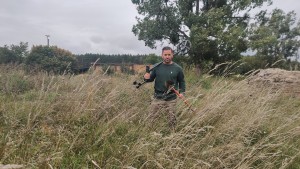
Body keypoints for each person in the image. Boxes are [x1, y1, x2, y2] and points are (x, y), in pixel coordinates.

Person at [144, 46, 186, 130]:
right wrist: (146, 77)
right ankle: (150, 134)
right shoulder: (157, 67)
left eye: (169, 54)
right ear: (162, 55)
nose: (167, 56)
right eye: (165, 54)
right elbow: (150, 79)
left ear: (172, 55)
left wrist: (182, 93)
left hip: (171, 99)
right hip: (157, 97)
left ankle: (172, 135)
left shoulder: (178, 68)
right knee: (151, 119)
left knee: (172, 120)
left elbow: (182, 81)